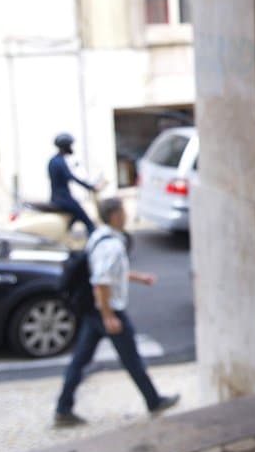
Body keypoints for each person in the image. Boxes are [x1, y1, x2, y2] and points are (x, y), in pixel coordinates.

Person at [54, 197, 179, 427]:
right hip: (107, 311)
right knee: (131, 359)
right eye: (123, 211)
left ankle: (63, 407)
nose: (126, 215)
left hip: (95, 311)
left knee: (80, 360)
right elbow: (101, 280)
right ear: (115, 216)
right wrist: (108, 316)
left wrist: (138, 277)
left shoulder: (98, 236)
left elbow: (110, 272)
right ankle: (153, 401)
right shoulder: (111, 245)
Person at [49, 132, 97, 235]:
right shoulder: (59, 162)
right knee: (88, 222)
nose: (72, 148)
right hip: (64, 199)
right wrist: (89, 187)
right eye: (70, 146)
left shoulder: (54, 161)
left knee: (74, 219)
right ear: (65, 146)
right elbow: (70, 177)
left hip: (57, 198)